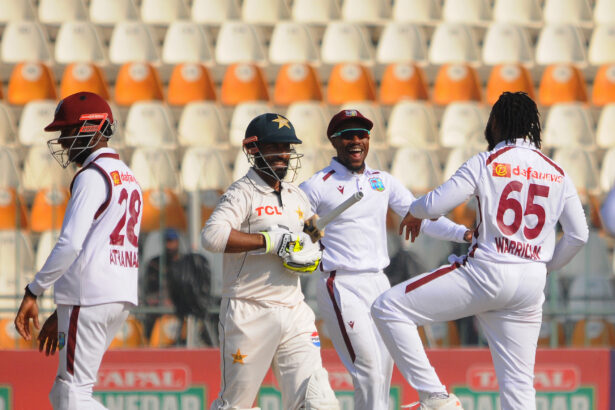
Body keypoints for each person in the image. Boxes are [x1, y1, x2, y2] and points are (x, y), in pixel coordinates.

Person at [371, 92, 589, 410]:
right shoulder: (556, 171)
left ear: (496, 123)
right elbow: (579, 235)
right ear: (532, 126)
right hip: (530, 285)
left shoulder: (487, 161)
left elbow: (438, 203)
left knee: (388, 308)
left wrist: (415, 211)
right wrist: (545, 267)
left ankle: (436, 398)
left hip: (487, 272)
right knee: (519, 388)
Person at [299, 109, 472, 410]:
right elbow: (292, 220)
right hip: (340, 283)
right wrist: (304, 230)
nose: (356, 141)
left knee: (382, 370)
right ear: (334, 140)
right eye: (348, 135)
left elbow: (422, 217)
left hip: (379, 281)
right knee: (367, 367)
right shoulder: (318, 183)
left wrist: (464, 234)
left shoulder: (382, 182)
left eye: (361, 134)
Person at [13, 91, 143, 409]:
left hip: (89, 295)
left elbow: (71, 244)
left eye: (67, 131)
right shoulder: (128, 176)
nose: (63, 141)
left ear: (90, 129)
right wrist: (62, 310)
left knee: (73, 391)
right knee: (65, 391)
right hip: (118, 295)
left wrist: (33, 291)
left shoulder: (91, 175)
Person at [201, 113, 339, 410]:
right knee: (235, 405)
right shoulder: (241, 193)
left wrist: (313, 241)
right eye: (274, 146)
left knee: (318, 402)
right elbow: (212, 237)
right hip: (249, 310)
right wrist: (270, 241)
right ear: (253, 150)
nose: (282, 154)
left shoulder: (295, 195)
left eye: (287, 147)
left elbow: (308, 231)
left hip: (294, 309)